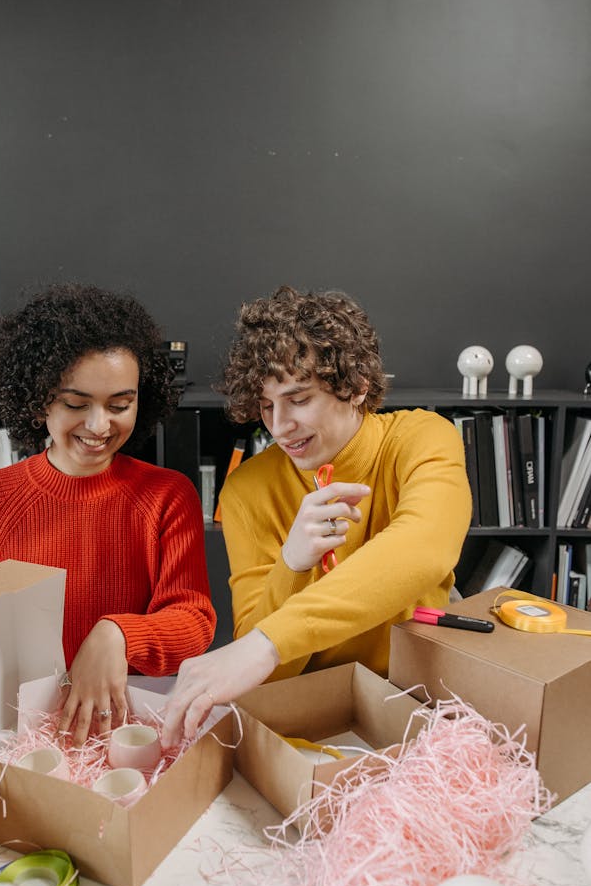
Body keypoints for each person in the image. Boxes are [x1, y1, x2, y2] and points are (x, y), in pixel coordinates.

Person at [161, 285, 472, 746]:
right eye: (266, 406)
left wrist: (269, 641)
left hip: (421, 700)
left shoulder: (423, 437)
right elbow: (264, 672)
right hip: (312, 718)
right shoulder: (247, 488)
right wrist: (291, 565)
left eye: (299, 399)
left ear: (358, 385)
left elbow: (424, 549)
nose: (279, 426)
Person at [0, 283, 216, 746]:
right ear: (38, 400)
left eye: (119, 405)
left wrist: (117, 634)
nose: (98, 425)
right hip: (18, 733)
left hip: (129, 724)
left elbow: (193, 621)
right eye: (75, 404)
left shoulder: (169, 495)